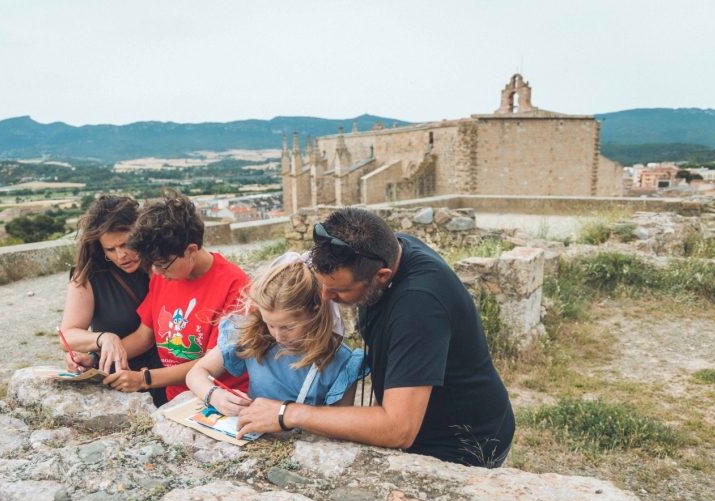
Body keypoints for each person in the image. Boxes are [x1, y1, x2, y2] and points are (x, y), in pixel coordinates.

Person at [237, 207, 515, 468]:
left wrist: (288, 413)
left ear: (381, 276)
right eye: (324, 284)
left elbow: (398, 429)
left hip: (462, 444)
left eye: (339, 290)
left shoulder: (419, 308)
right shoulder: (388, 250)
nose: (326, 297)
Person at [100, 189, 250, 407]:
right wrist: (97, 358)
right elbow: (144, 336)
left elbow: (211, 364)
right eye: (153, 265)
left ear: (191, 251)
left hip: (223, 400)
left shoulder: (234, 284)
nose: (157, 273)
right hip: (177, 401)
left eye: (162, 265)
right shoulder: (164, 276)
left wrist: (145, 379)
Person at [185, 252, 365, 416]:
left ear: (314, 311)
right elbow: (196, 373)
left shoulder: (341, 362)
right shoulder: (254, 334)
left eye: (288, 327)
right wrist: (215, 395)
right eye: (270, 324)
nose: (278, 337)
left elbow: (341, 424)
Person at [60, 195, 163, 397]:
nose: (121, 256)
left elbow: (146, 338)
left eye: (126, 244)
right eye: (110, 250)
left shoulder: (163, 264)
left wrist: (95, 358)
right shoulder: (89, 275)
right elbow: (67, 336)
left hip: (169, 370)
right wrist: (102, 340)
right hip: (120, 376)